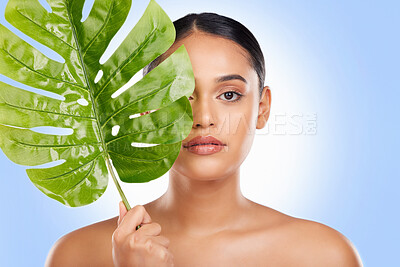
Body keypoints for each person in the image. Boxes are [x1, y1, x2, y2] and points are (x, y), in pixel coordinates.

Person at [45, 12, 363, 266]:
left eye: (228, 94)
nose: (204, 118)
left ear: (262, 108)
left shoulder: (323, 255)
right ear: (145, 109)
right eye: (180, 94)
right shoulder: (77, 255)